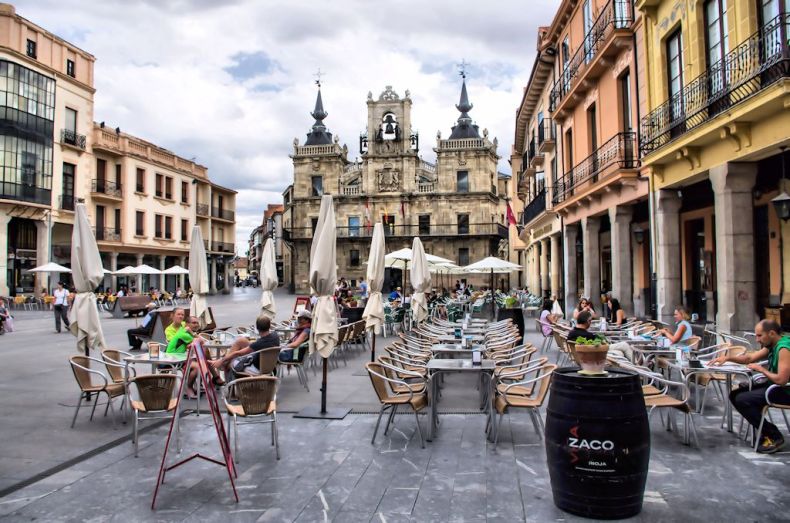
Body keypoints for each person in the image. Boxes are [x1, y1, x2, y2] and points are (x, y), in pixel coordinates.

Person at [711, 320, 790, 453]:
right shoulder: (772, 344)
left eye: (759, 336)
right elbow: (750, 358)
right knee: (735, 394)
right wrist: (728, 358)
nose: (757, 340)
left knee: (744, 399)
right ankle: (763, 432)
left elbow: (782, 380)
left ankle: (773, 435)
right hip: (775, 386)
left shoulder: (784, 349)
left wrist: (762, 370)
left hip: (785, 391)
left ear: (771, 333)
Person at [166, 315, 223, 397]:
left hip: (180, 357)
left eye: (197, 323)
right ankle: (189, 388)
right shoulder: (184, 334)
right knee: (198, 366)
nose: (196, 325)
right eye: (194, 323)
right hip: (173, 359)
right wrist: (192, 333)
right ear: (187, 324)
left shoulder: (184, 331)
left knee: (204, 354)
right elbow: (202, 341)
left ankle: (213, 378)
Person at [211, 315, 280, 375]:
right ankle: (222, 363)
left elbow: (237, 353)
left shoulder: (259, 343)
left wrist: (221, 360)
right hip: (269, 366)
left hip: (257, 369)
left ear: (257, 328)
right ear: (269, 326)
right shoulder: (275, 336)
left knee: (230, 363)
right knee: (241, 341)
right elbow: (256, 345)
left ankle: (230, 384)